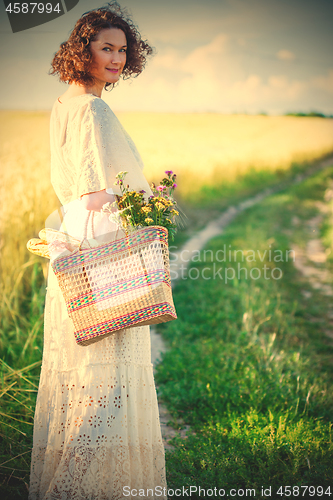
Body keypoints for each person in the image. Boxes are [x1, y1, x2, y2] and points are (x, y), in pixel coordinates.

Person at [28, 3, 167, 499]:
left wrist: (137, 193)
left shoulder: (63, 104)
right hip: (101, 238)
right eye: (105, 47)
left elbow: (77, 191)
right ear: (81, 49)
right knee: (108, 377)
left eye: (122, 49)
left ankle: (71, 482)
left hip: (74, 233)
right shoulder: (92, 108)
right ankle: (69, 489)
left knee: (84, 367)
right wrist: (149, 199)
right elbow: (96, 191)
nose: (115, 57)